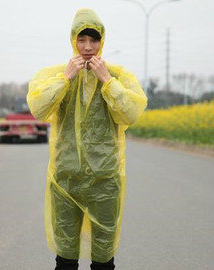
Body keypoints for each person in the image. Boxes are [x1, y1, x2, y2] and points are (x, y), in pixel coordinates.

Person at [27, 8, 147, 270]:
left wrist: (107, 81)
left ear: (102, 41)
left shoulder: (118, 76)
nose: (88, 47)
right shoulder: (56, 75)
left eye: (93, 40)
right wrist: (65, 78)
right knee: (66, 258)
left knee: (103, 258)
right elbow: (38, 108)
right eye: (82, 39)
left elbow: (131, 112)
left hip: (105, 181)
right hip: (65, 179)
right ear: (73, 40)